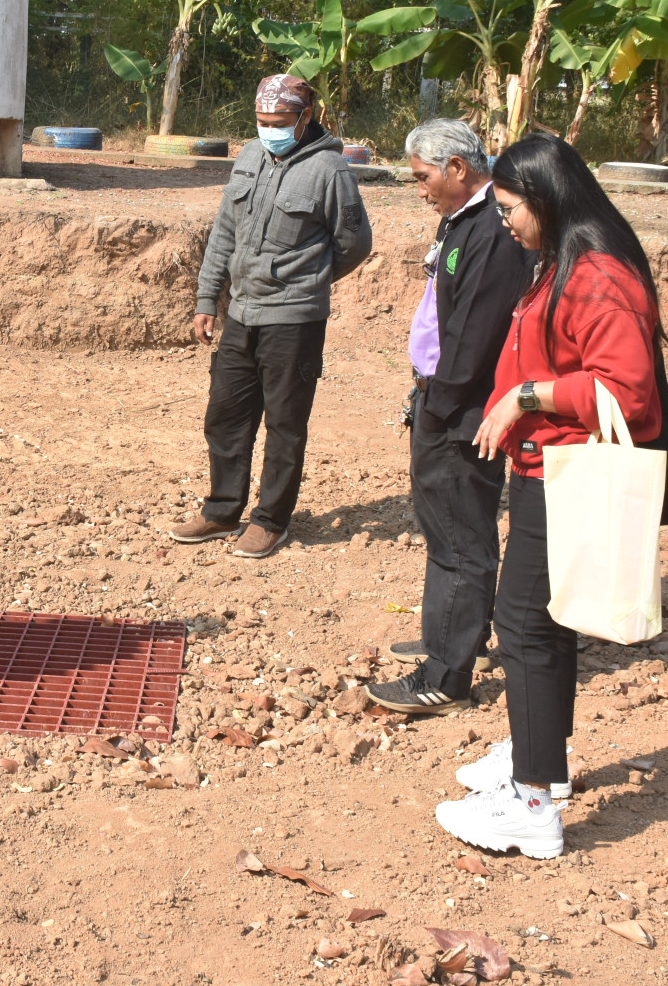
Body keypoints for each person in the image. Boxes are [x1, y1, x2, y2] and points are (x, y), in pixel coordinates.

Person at [432, 133, 664, 860]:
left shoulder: (595, 276)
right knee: (543, 621)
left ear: (545, 197)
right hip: (543, 466)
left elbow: (626, 392)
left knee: (524, 625)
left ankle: (532, 803)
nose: (502, 221)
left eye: (508, 208)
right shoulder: (558, 260)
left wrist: (526, 396)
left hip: (567, 469)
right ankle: (541, 761)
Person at [169, 74, 373, 560]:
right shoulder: (248, 158)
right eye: (261, 122)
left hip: (294, 319)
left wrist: (307, 279)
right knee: (225, 415)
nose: (268, 130)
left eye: (278, 123)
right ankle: (221, 511)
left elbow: (354, 244)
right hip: (241, 311)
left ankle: (271, 521)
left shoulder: (330, 171)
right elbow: (224, 234)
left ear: (306, 118)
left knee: (284, 424)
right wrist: (205, 299)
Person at [369, 119, 532, 716]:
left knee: (461, 538)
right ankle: (451, 638)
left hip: (461, 408)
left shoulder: (491, 230)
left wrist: (438, 404)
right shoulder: (469, 221)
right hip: (447, 399)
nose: (419, 189)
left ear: (457, 168)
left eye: (422, 176)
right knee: (448, 530)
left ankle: (446, 673)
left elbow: (475, 335)